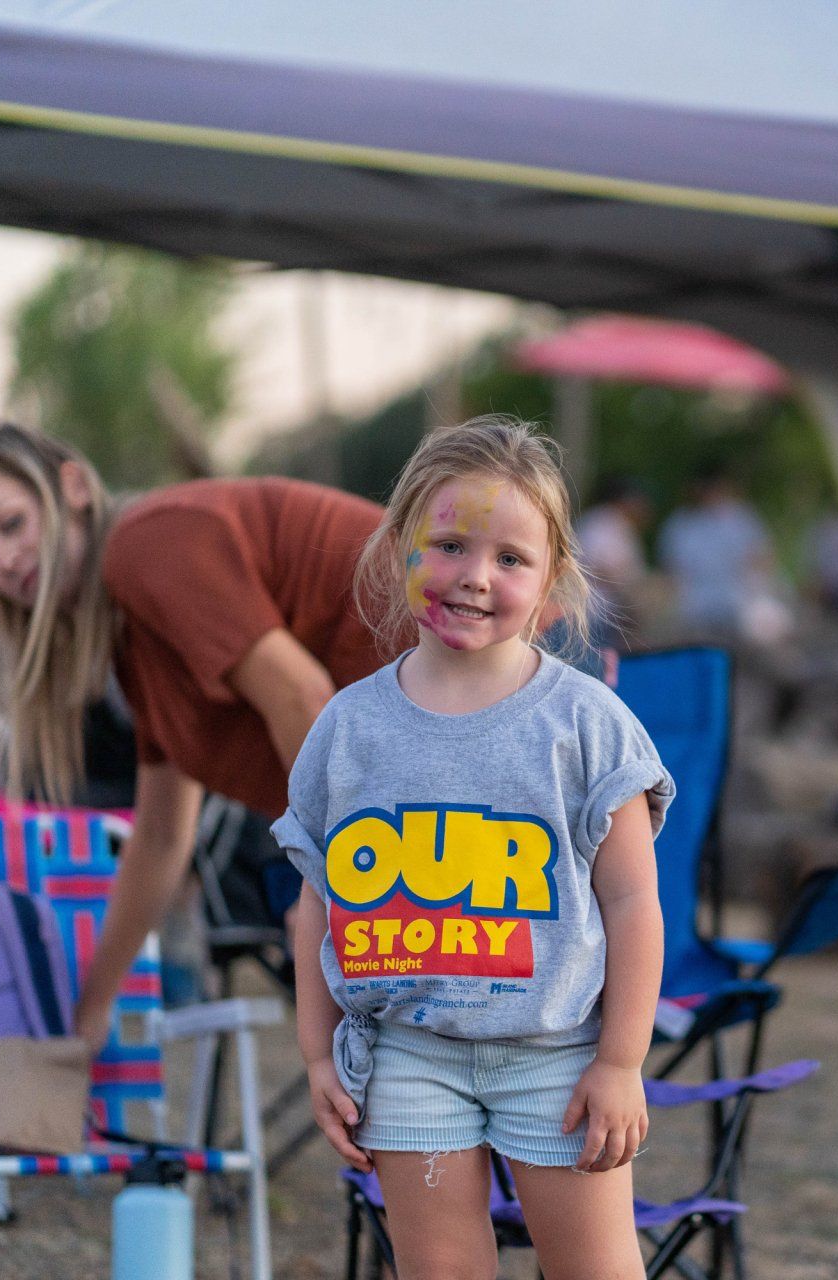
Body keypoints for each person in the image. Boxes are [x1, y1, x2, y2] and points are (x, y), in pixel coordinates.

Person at [272, 417, 671, 1280]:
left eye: (511, 558)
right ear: (399, 550)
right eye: (450, 545)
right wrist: (315, 1053)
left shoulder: (587, 725)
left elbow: (634, 902)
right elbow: (315, 902)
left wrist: (621, 1061)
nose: (476, 576)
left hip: (557, 1054)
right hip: (408, 1054)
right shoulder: (348, 728)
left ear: (553, 581)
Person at [0, 422, 411, 1048]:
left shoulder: (147, 545)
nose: (4, 561)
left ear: (73, 488)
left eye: (11, 524)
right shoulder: (136, 644)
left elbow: (302, 698)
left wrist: (334, 885)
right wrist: (90, 1012)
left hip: (485, 698)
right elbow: (159, 836)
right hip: (420, 766)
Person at [656, 464, 787, 643]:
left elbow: (763, 558)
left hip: (741, 598)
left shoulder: (741, 518)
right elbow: (670, 570)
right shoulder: (680, 524)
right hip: (695, 603)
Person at [574, 477, 652, 648]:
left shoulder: (620, 526)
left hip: (612, 614)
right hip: (595, 613)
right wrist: (627, 587)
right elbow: (589, 566)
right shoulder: (599, 523)